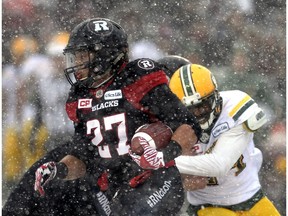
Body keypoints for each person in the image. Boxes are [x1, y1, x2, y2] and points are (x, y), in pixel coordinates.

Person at [33, 18, 202, 215]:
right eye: (75, 57)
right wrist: (57, 169)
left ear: (104, 54)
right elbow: (84, 157)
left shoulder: (137, 78)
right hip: (114, 186)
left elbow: (189, 126)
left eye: (82, 56)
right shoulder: (79, 95)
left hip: (156, 178)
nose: (77, 63)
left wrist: (165, 154)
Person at [134, 63, 281, 215]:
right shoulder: (168, 127)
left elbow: (219, 165)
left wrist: (164, 160)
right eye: (189, 109)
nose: (197, 114)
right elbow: (188, 182)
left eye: (201, 106)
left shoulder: (234, 106)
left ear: (215, 96)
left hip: (253, 199)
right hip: (208, 207)